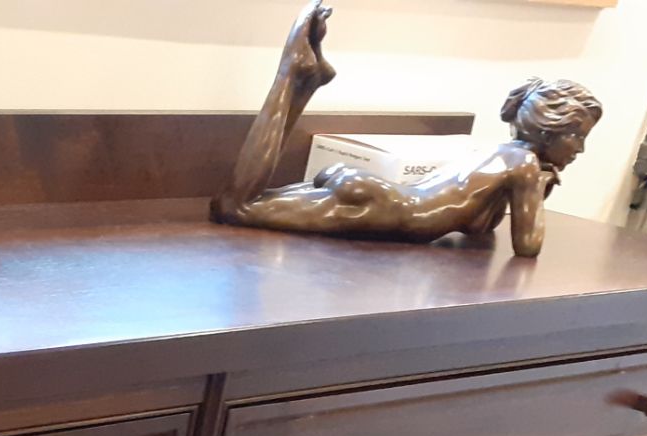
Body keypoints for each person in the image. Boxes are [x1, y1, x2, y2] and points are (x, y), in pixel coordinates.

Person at [213, 3, 602, 259]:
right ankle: (292, 74)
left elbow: (477, 228)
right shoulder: (526, 168)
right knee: (237, 207)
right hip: (388, 210)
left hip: (381, 197)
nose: (581, 150)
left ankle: (305, 79)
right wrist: (539, 187)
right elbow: (528, 245)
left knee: (245, 203)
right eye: (577, 136)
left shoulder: (501, 153)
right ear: (549, 130)